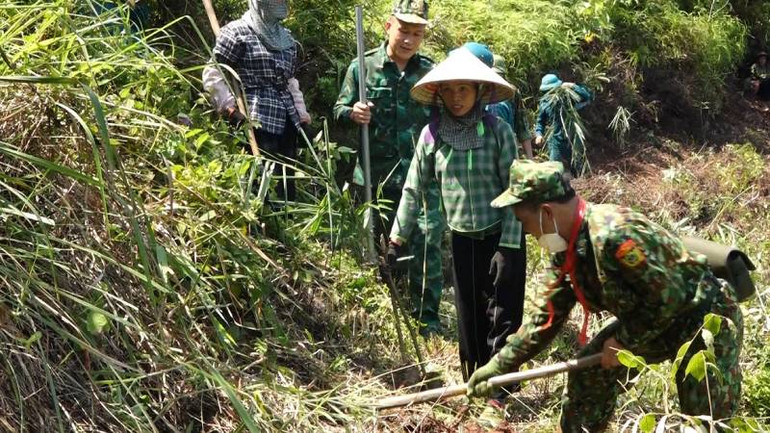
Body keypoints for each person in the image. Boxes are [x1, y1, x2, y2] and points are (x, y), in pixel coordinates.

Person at [467, 160, 744, 432]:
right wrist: (498, 366)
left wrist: (623, 341)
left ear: (547, 213)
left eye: (523, 221)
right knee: (588, 375)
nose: (526, 231)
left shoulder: (614, 235)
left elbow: (668, 297)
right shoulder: (566, 250)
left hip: (703, 317)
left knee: (704, 418)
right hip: (651, 320)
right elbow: (545, 319)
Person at [389, 48, 527, 425]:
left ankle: (499, 390)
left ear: (480, 91)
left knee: (502, 315)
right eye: (449, 90)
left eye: (463, 89)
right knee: (469, 318)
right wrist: (397, 237)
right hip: (462, 237)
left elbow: (515, 190)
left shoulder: (498, 131)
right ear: (439, 94)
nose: (456, 97)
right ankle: (474, 384)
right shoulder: (431, 136)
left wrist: (510, 247)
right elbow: (412, 190)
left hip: (501, 236)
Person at [333, 0, 444, 336]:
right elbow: (337, 108)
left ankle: (427, 318)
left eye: (417, 33)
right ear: (388, 27)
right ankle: (383, 312)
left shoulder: (431, 74)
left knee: (426, 243)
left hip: (421, 176)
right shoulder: (362, 68)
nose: (409, 39)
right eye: (403, 30)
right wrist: (352, 112)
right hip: (376, 176)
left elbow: (447, 116)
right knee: (381, 248)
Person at [202, 0, 312, 204]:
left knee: (284, 186)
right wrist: (228, 108)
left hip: (287, 122)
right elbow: (214, 72)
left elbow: (290, 82)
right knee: (259, 187)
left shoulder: (286, 39)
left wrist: (301, 114)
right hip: (255, 121)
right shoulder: (236, 32)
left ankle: (285, 231)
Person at [460, 43, 533, 159]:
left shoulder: (511, 92)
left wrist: (530, 158)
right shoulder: (472, 92)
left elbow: (522, 127)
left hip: (506, 145)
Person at [534, 74, 592, 176]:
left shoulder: (568, 98)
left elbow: (586, 96)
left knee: (579, 169)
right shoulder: (545, 103)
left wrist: (572, 86)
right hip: (556, 141)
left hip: (573, 138)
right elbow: (540, 122)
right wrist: (539, 134)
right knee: (553, 171)